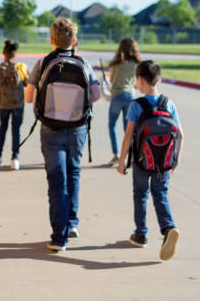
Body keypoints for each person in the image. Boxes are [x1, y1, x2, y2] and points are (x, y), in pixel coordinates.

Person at [25, 17, 101, 251]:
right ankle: (72, 222)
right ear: (75, 40)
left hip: (50, 128)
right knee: (73, 172)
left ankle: (59, 237)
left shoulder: (43, 62)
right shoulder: (83, 63)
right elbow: (96, 94)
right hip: (77, 127)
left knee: (56, 180)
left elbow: (29, 98)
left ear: (51, 40)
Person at [117, 60, 184, 261]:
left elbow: (128, 135)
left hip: (141, 160)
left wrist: (122, 161)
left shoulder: (136, 105)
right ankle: (168, 228)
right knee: (160, 194)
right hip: (164, 162)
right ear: (159, 80)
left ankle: (141, 234)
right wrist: (176, 158)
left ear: (139, 80)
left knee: (140, 194)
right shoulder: (169, 104)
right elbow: (180, 134)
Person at [0, 40, 29, 170]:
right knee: (15, 131)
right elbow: (27, 84)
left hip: (3, 105)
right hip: (17, 104)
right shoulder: (21, 67)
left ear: (3, 53)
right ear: (15, 54)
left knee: (2, 129)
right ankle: (14, 159)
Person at [107, 37, 142, 165]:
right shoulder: (136, 64)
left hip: (117, 96)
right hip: (131, 97)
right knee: (129, 128)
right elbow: (137, 84)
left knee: (112, 125)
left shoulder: (116, 64)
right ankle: (131, 157)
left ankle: (116, 155)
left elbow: (111, 81)